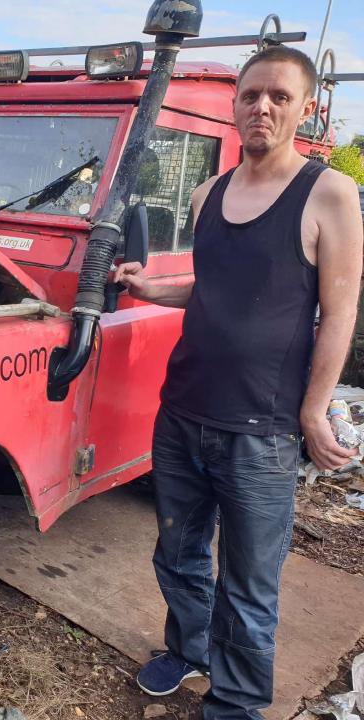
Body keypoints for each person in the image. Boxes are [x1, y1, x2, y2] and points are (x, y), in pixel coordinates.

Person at [114, 45, 363, 719]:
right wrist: (151, 285)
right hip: (184, 412)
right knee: (179, 554)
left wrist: (314, 413)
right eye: (252, 95)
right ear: (236, 104)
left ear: (304, 109)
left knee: (249, 585)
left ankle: (237, 702)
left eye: (280, 97)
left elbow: (339, 313)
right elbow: (213, 287)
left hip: (264, 432)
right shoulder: (208, 193)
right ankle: (190, 650)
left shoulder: (329, 193)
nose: (263, 107)